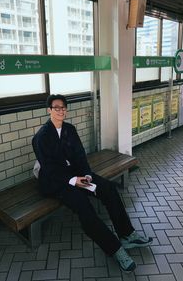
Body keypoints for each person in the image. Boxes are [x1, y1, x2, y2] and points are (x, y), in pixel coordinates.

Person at [32, 94, 152, 273]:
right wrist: (73, 181)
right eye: (56, 107)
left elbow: (80, 155)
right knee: (84, 206)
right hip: (57, 182)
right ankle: (115, 249)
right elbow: (49, 168)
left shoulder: (69, 129)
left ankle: (127, 234)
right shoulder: (41, 137)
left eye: (63, 107)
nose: (61, 110)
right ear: (49, 110)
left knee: (108, 189)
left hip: (77, 176)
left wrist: (87, 175)